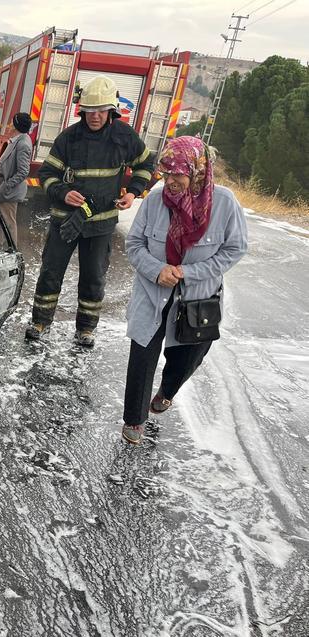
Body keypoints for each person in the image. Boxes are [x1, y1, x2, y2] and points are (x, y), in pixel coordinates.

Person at [121, 137, 247, 444]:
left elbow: (234, 249)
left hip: (197, 298)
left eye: (179, 174)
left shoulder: (225, 203)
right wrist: (157, 269)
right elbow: (134, 244)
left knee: (189, 357)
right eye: (167, 173)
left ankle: (167, 391)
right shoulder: (154, 200)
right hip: (153, 294)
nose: (171, 181)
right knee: (142, 356)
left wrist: (188, 273)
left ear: (199, 171)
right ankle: (134, 420)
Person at [28, 75, 155, 348]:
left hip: (100, 224)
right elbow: (47, 174)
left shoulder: (124, 137)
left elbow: (147, 165)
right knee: (51, 271)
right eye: (88, 111)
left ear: (111, 111)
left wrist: (133, 192)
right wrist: (62, 192)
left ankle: (85, 329)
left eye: (99, 111)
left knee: (93, 277)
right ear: (81, 111)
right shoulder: (68, 138)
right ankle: (40, 321)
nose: (94, 117)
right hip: (66, 221)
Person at [0, 112, 33, 247]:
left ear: (16, 125)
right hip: (2, 184)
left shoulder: (23, 144)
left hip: (8, 189)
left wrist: (7, 185)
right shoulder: (16, 140)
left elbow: (23, 171)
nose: (9, 125)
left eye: (12, 122)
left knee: (8, 220)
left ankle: (11, 249)